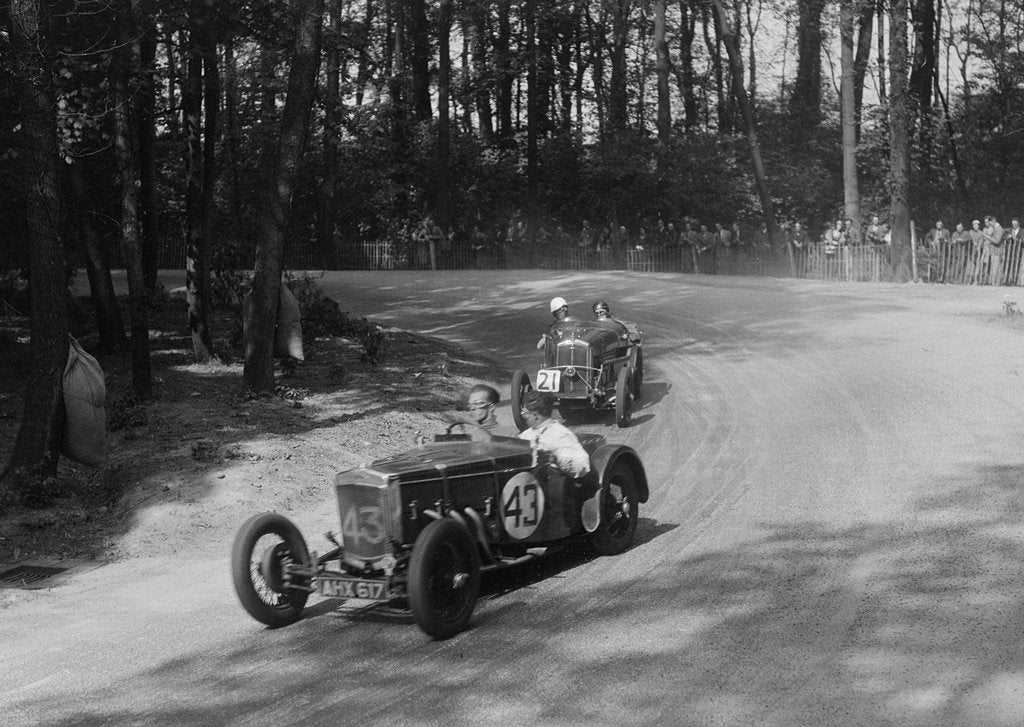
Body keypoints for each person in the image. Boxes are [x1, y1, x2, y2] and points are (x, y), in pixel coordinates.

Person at [516, 391, 590, 478]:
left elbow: (582, 465)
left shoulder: (560, 435)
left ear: (535, 415)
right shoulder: (527, 434)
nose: (523, 417)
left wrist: (557, 460)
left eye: (525, 414)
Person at [983, 215, 1005, 285]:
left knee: (996, 268)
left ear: (993, 221)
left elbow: (997, 241)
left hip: (997, 251)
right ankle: (994, 283)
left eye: (990, 223)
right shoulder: (995, 228)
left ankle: (995, 283)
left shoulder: (999, 229)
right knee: (994, 268)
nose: (989, 225)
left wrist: (988, 237)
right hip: (994, 251)